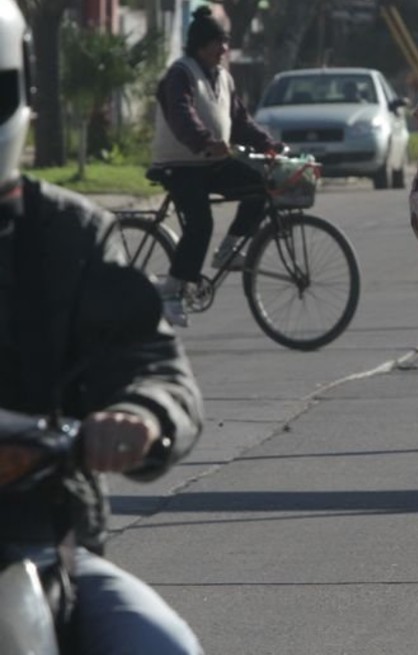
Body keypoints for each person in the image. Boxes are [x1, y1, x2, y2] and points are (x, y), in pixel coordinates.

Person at [0, 1, 205, 652]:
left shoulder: (70, 234)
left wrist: (142, 412)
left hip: (34, 546)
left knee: (164, 645)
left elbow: (152, 362)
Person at [150, 6, 281, 327]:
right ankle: (171, 292)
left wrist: (268, 144)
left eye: (225, 42)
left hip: (212, 163)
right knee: (200, 223)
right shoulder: (180, 74)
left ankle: (229, 249)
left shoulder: (224, 77)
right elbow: (182, 115)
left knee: (262, 185)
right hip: (179, 165)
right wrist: (205, 140)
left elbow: (240, 121)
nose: (224, 49)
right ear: (199, 45)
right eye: (217, 42)